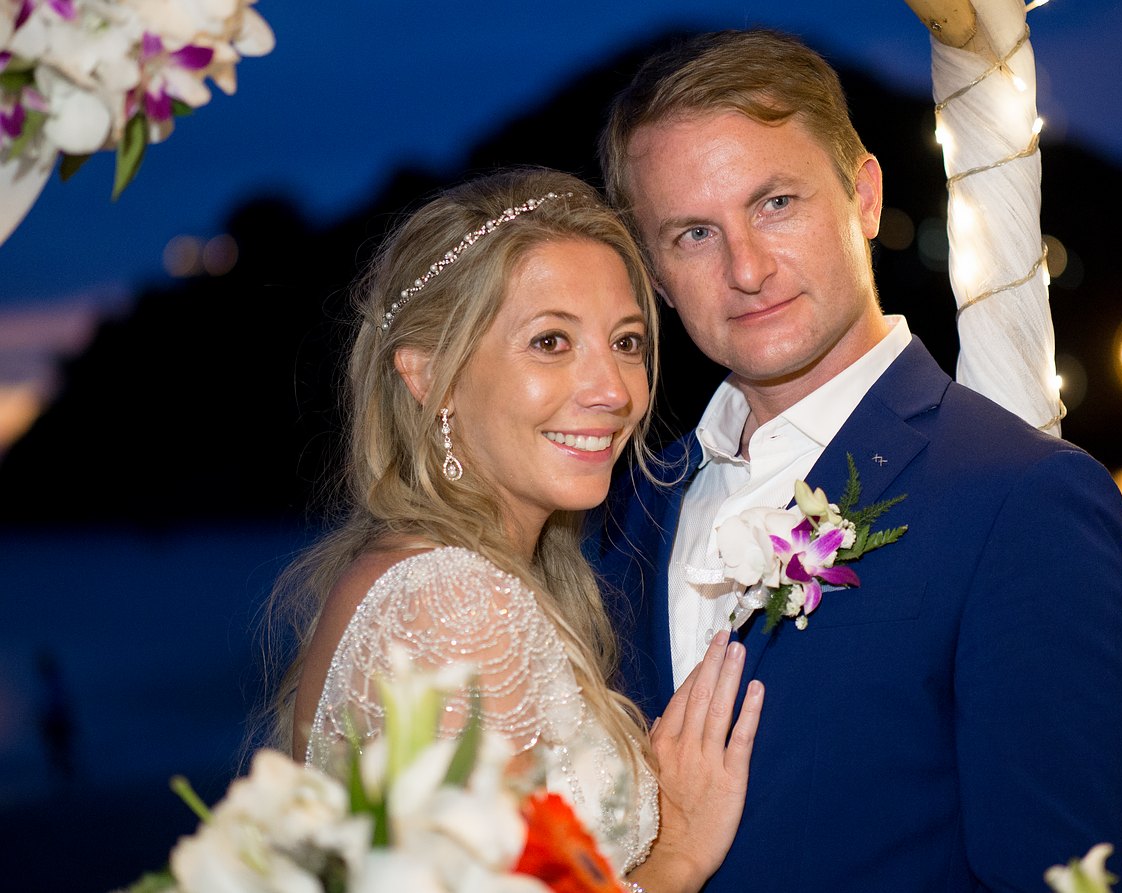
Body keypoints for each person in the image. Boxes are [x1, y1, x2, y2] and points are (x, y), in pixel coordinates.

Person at [591, 29, 1122, 891]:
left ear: (863, 196)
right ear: (656, 275)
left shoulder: (1021, 499)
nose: (747, 268)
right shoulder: (618, 509)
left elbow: (1064, 874)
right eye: (695, 233)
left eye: (776, 203)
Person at [266, 167, 764, 892]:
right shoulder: (453, 603)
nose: (613, 391)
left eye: (627, 342)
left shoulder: (413, 571)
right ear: (429, 375)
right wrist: (677, 854)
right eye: (551, 341)